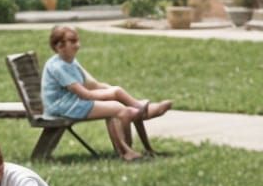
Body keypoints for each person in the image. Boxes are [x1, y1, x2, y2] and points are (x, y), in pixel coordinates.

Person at [41, 25, 172, 162]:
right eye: (73, 41)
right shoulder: (58, 67)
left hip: (72, 102)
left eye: (77, 40)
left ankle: (140, 123)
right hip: (62, 107)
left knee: (117, 101)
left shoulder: (70, 61)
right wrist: (113, 94)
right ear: (59, 46)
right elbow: (85, 94)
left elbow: (93, 85)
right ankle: (127, 150)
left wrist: (111, 90)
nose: (78, 45)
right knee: (118, 109)